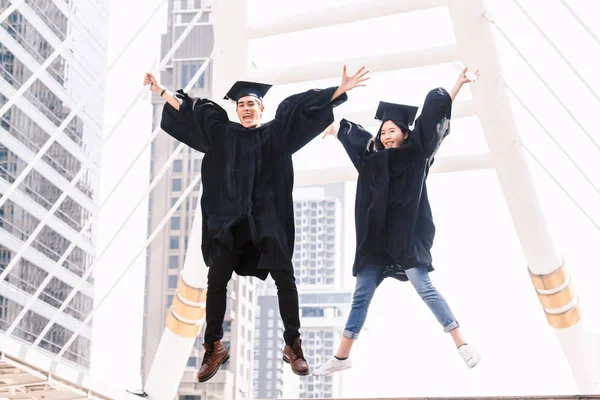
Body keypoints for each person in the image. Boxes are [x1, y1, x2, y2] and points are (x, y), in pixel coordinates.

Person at [143, 65, 369, 382]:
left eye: (251, 104)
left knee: (285, 277)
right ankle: (213, 347)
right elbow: (193, 111)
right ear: (236, 110)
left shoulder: (278, 134)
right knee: (216, 279)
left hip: (266, 223)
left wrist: (339, 90)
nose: (246, 109)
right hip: (229, 223)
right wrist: (162, 91)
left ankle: (293, 345)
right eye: (241, 105)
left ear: (261, 108)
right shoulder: (223, 134)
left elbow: (304, 109)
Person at [313, 68, 481, 377]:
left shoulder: (417, 155)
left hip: (406, 238)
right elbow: (356, 140)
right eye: (383, 132)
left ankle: (461, 343)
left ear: (405, 132)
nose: (386, 135)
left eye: (392, 130)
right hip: (375, 241)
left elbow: (433, 123)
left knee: (425, 287)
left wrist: (456, 85)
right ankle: (342, 356)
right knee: (361, 295)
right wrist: (337, 131)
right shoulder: (371, 161)